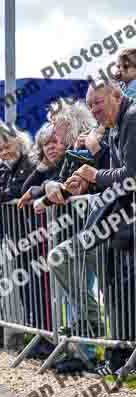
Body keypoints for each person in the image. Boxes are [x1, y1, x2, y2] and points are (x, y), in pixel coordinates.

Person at [50, 78, 136, 373]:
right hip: (115, 222)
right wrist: (85, 183)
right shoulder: (117, 126)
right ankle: (117, 354)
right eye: (90, 105)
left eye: (98, 102)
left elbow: (131, 175)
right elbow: (114, 174)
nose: (94, 110)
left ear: (116, 95)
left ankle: (118, 354)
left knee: (121, 291)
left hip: (122, 221)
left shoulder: (132, 119)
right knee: (116, 291)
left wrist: (94, 175)